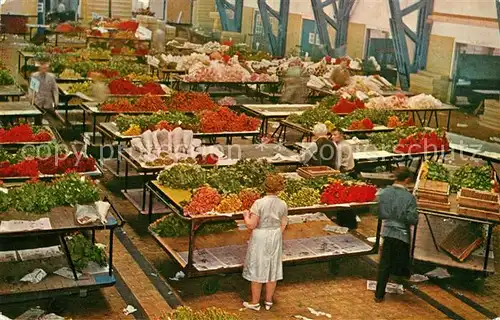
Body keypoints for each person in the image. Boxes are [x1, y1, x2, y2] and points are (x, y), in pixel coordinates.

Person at [242, 174, 288, 311]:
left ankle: (255, 302)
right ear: (280, 188)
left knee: (258, 266)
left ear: (265, 186)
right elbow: (284, 223)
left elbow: (251, 225)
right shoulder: (283, 204)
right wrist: (276, 233)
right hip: (275, 235)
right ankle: (269, 301)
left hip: (260, 236)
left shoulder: (259, 203)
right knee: (272, 268)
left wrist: (245, 215)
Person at [375, 167, 418, 303]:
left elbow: (375, 210)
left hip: (387, 232)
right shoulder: (409, 197)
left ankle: (378, 295)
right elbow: (412, 219)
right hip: (402, 234)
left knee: (384, 264)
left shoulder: (384, 192)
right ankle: (400, 283)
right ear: (407, 180)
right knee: (401, 260)